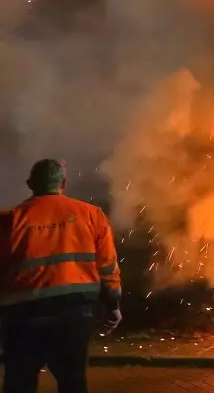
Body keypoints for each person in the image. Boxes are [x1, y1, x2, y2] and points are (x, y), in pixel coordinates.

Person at [0, 159, 122, 393]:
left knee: (19, 384)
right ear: (63, 183)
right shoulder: (91, 215)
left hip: (23, 318)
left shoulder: (9, 220)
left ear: (30, 184)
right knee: (73, 382)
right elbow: (107, 267)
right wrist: (113, 305)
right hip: (74, 315)